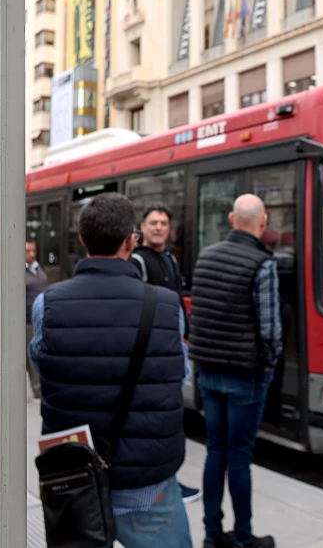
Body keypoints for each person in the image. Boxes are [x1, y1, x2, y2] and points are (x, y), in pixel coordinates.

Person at [29, 193, 192, 548]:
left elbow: (42, 364)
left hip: (76, 477)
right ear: (131, 241)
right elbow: (179, 374)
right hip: (147, 483)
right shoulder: (165, 305)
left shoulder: (48, 304)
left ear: (82, 239)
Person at [189, 194, 282, 548]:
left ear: (231, 219)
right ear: (264, 221)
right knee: (240, 456)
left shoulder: (206, 256)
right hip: (246, 375)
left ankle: (213, 534)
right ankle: (244, 537)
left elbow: (200, 316)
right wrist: (270, 363)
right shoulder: (263, 263)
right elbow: (270, 329)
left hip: (209, 371)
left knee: (216, 451)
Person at [131, 203, 201, 505]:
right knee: (156, 420)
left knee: (172, 416)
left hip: (174, 349)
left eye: (163, 223)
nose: (159, 227)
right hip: (151, 354)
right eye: (153, 222)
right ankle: (161, 482)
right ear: (142, 228)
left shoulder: (171, 260)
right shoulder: (138, 262)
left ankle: (170, 479)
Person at [25, 240, 48, 399]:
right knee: (28, 354)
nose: (32, 254)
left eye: (34, 250)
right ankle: (37, 388)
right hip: (26, 321)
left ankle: (39, 389)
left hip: (39, 319)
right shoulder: (20, 270)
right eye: (28, 251)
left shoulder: (38, 269)